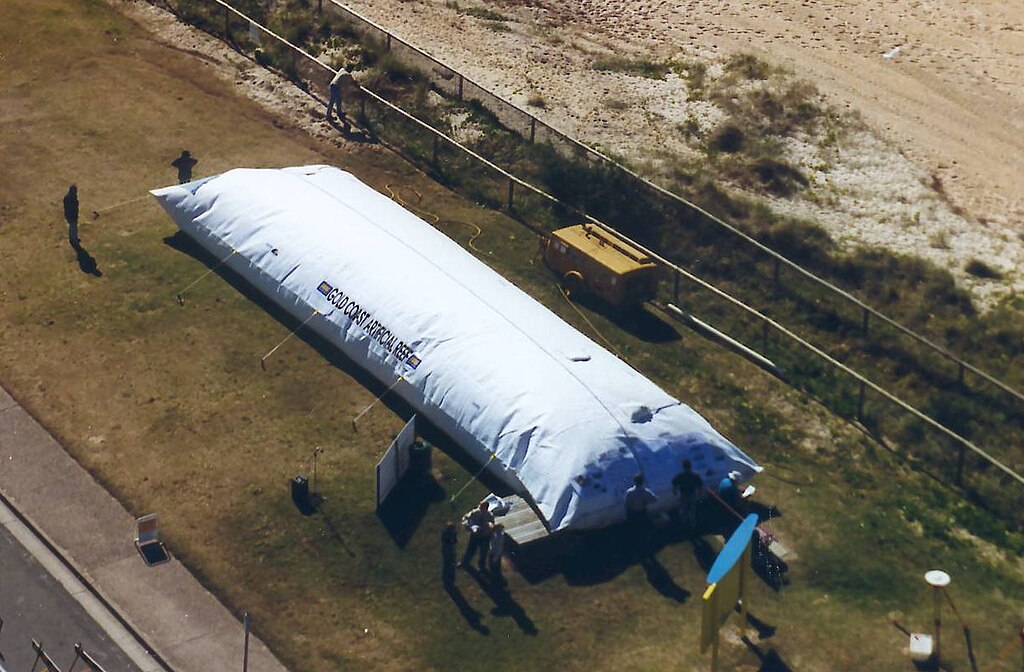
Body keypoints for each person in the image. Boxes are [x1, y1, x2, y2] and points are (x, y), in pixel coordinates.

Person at [624, 473, 657, 560]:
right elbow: (654, 499)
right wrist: (645, 502)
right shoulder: (645, 491)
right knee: (645, 531)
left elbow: (627, 504)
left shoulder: (630, 492)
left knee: (635, 531)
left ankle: (638, 549)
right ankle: (647, 548)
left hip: (633, 514)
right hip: (642, 512)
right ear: (642, 482)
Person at [460, 500, 494, 571]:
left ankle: (481, 566)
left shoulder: (489, 515)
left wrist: (489, 527)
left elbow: (491, 526)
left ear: (486, 508)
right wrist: (471, 527)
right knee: (470, 550)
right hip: (475, 536)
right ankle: (464, 563)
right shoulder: (475, 512)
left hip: (485, 537)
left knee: (483, 552)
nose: (480, 508)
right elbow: (465, 519)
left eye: (482, 507)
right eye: (480, 506)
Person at [672, 459, 703, 531]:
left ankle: (685, 525)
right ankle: (693, 526)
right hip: (692, 494)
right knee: (692, 510)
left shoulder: (680, 475)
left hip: (683, 495)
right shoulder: (695, 475)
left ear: (683, 466)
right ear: (690, 466)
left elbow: (674, 484)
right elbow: (700, 485)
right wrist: (700, 493)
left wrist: (675, 491)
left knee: (683, 510)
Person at [326, 67, 352, 131]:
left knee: (337, 100)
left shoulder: (342, 70)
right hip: (336, 87)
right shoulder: (347, 74)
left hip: (333, 85)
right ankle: (329, 115)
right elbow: (352, 81)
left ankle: (338, 112)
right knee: (333, 101)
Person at [441, 521, 458, 587]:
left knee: (451, 562)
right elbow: (445, 541)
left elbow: (455, 541)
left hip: (451, 549)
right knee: (447, 563)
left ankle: (450, 574)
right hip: (447, 549)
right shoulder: (445, 534)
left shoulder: (453, 533)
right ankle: (447, 576)